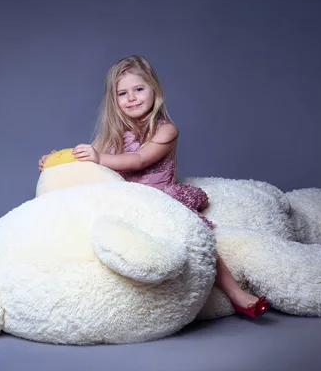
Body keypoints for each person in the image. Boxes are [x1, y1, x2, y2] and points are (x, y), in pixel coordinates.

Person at [39, 55, 269, 319]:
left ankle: (236, 293)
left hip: (159, 199)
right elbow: (90, 163)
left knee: (196, 235)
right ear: (114, 101)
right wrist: (57, 160)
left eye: (139, 89)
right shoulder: (109, 138)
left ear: (154, 90)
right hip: (128, 200)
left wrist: (100, 157)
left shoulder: (165, 130)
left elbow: (139, 160)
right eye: (122, 93)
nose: (132, 98)